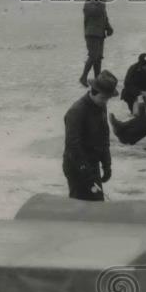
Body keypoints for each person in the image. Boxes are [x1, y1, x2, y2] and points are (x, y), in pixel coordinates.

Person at [63, 70, 118, 201]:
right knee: (82, 207)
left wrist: (107, 165)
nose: (106, 102)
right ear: (93, 92)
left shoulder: (100, 106)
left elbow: (104, 138)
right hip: (77, 166)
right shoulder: (77, 111)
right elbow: (73, 145)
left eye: (107, 98)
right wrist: (85, 170)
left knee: (97, 204)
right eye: (104, 98)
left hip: (92, 165)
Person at [80, 0, 114, 87]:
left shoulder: (101, 3)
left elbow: (104, 17)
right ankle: (83, 77)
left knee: (98, 57)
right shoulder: (89, 2)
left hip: (99, 34)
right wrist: (100, 3)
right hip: (91, 33)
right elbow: (93, 12)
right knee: (93, 56)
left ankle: (97, 79)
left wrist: (108, 27)